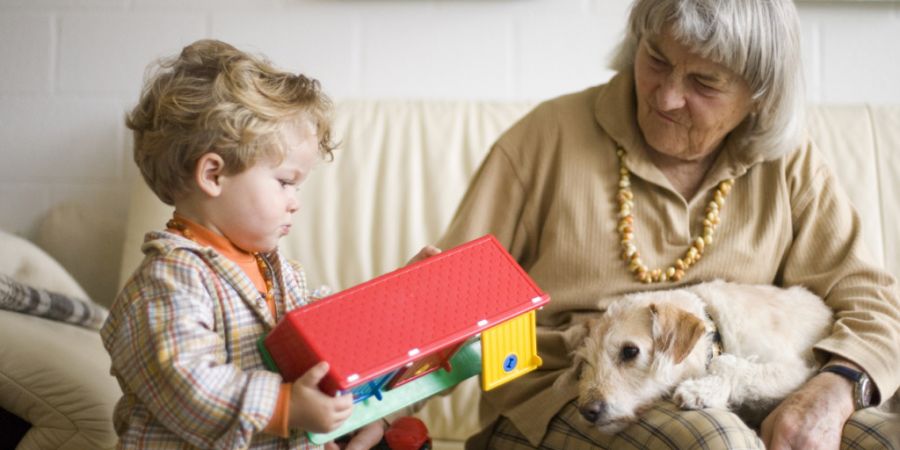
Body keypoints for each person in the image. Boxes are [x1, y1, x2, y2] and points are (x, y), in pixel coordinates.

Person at [436, 0, 900, 449]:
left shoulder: (787, 163)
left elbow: (874, 304)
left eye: (704, 82)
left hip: (731, 390)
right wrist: (378, 407)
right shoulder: (545, 138)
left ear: (758, 97)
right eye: (656, 59)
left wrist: (838, 387)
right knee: (716, 442)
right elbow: (445, 298)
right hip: (563, 395)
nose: (667, 96)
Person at [101, 39, 436, 449]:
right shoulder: (168, 280)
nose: (295, 202)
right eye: (284, 182)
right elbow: (185, 382)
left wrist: (398, 295)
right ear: (213, 175)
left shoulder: (274, 270)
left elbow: (326, 335)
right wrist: (286, 407)